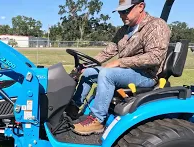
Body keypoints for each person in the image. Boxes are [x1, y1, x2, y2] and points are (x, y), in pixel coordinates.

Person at [71, 0, 171, 135]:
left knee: (107, 74)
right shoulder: (124, 30)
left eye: (126, 11)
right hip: (126, 72)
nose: (121, 15)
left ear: (140, 7)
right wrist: (86, 65)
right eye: (120, 12)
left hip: (146, 75)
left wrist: (121, 62)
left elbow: (155, 57)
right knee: (89, 73)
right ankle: (73, 108)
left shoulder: (156, 25)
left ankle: (97, 120)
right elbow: (108, 51)